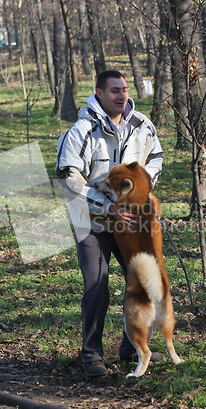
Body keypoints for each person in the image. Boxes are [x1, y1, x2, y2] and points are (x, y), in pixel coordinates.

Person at [56, 70, 163, 377]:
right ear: (99, 94)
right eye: (114, 90)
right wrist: (107, 206)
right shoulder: (83, 129)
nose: (121, 95)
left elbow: (155, 156)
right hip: (90, 220)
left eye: (125, 89)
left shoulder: (141, 125)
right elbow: (67, 178)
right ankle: (91, 355)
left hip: (129, 219)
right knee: (97, 284)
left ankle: (133, 348)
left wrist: (141, 187)